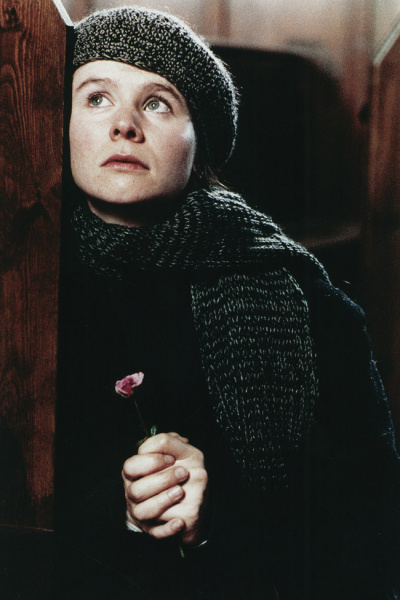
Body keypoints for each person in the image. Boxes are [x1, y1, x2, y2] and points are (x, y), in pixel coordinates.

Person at [55, 6, 400, 600]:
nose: (125, 126)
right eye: (96, 98)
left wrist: (219, 516)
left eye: (158, 103)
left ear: (200, 142)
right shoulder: (23, 281)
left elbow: (369, 529)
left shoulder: (300, 294)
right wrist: (121, 512)